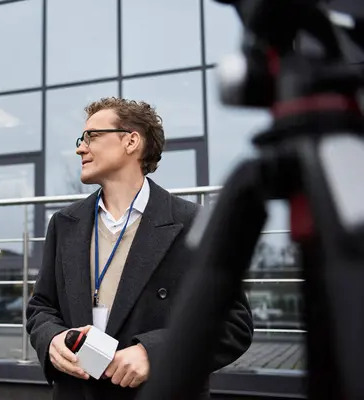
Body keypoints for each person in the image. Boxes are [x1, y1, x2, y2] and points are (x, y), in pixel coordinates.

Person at [26, 97, 253, 400]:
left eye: (92, 136)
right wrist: (52, 339)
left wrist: (155, 353)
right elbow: (41, 307)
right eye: (82, 139)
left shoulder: (193, 222)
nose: (80, 147)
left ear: (131, 141)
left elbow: (233, 322)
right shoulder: (64, 223)